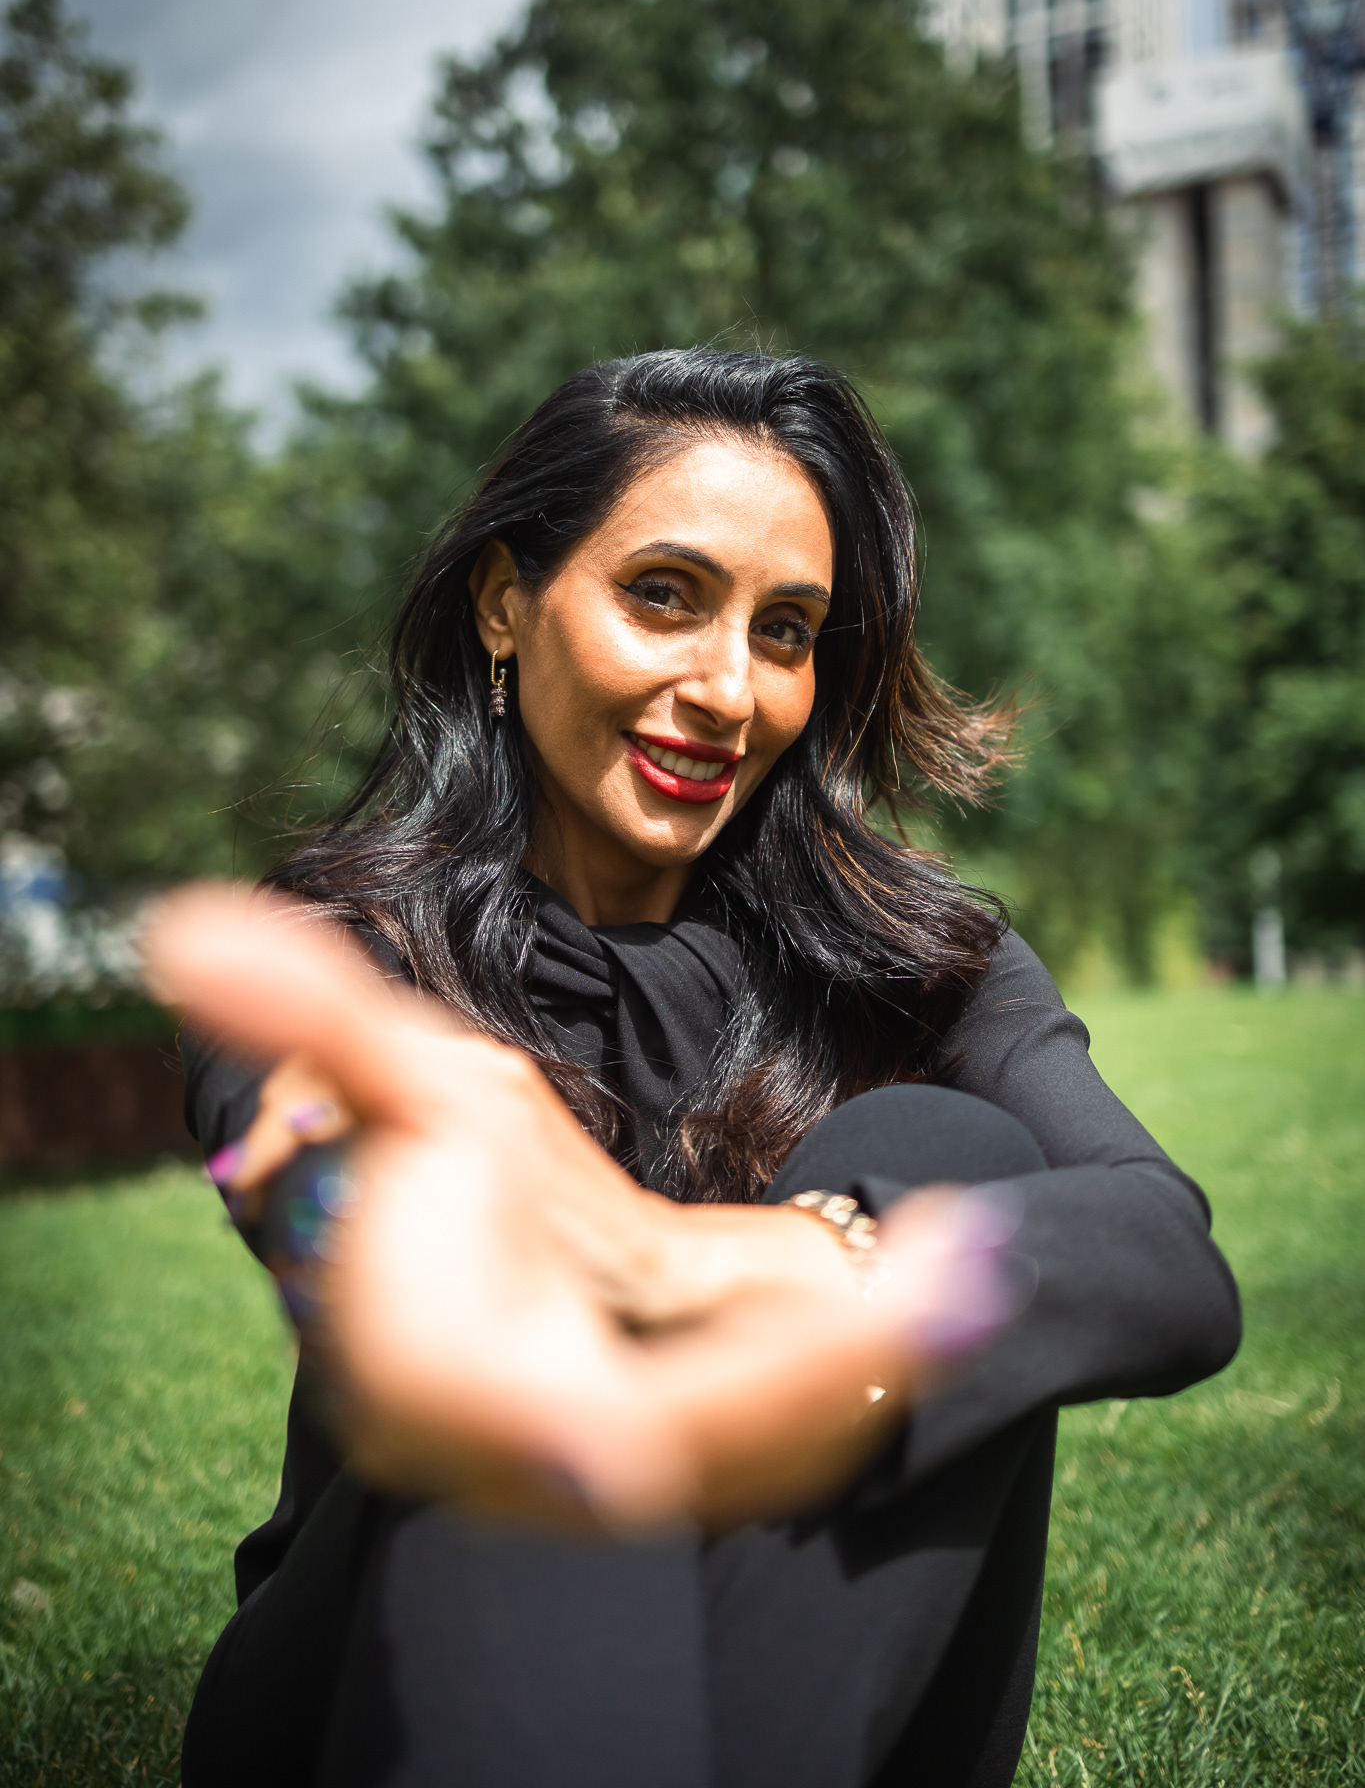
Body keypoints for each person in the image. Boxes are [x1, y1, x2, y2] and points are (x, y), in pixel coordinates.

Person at [151, 349, 1241, 1788]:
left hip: (808, 1683)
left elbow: (1169, 1257)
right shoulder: (342, 958)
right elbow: (307, 1182)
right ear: (505, 599)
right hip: (391, 1673)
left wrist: (785, 1267)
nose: (730, 689)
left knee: (944, 1155)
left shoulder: (912, 960)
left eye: (785, 631)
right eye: (663, 595)